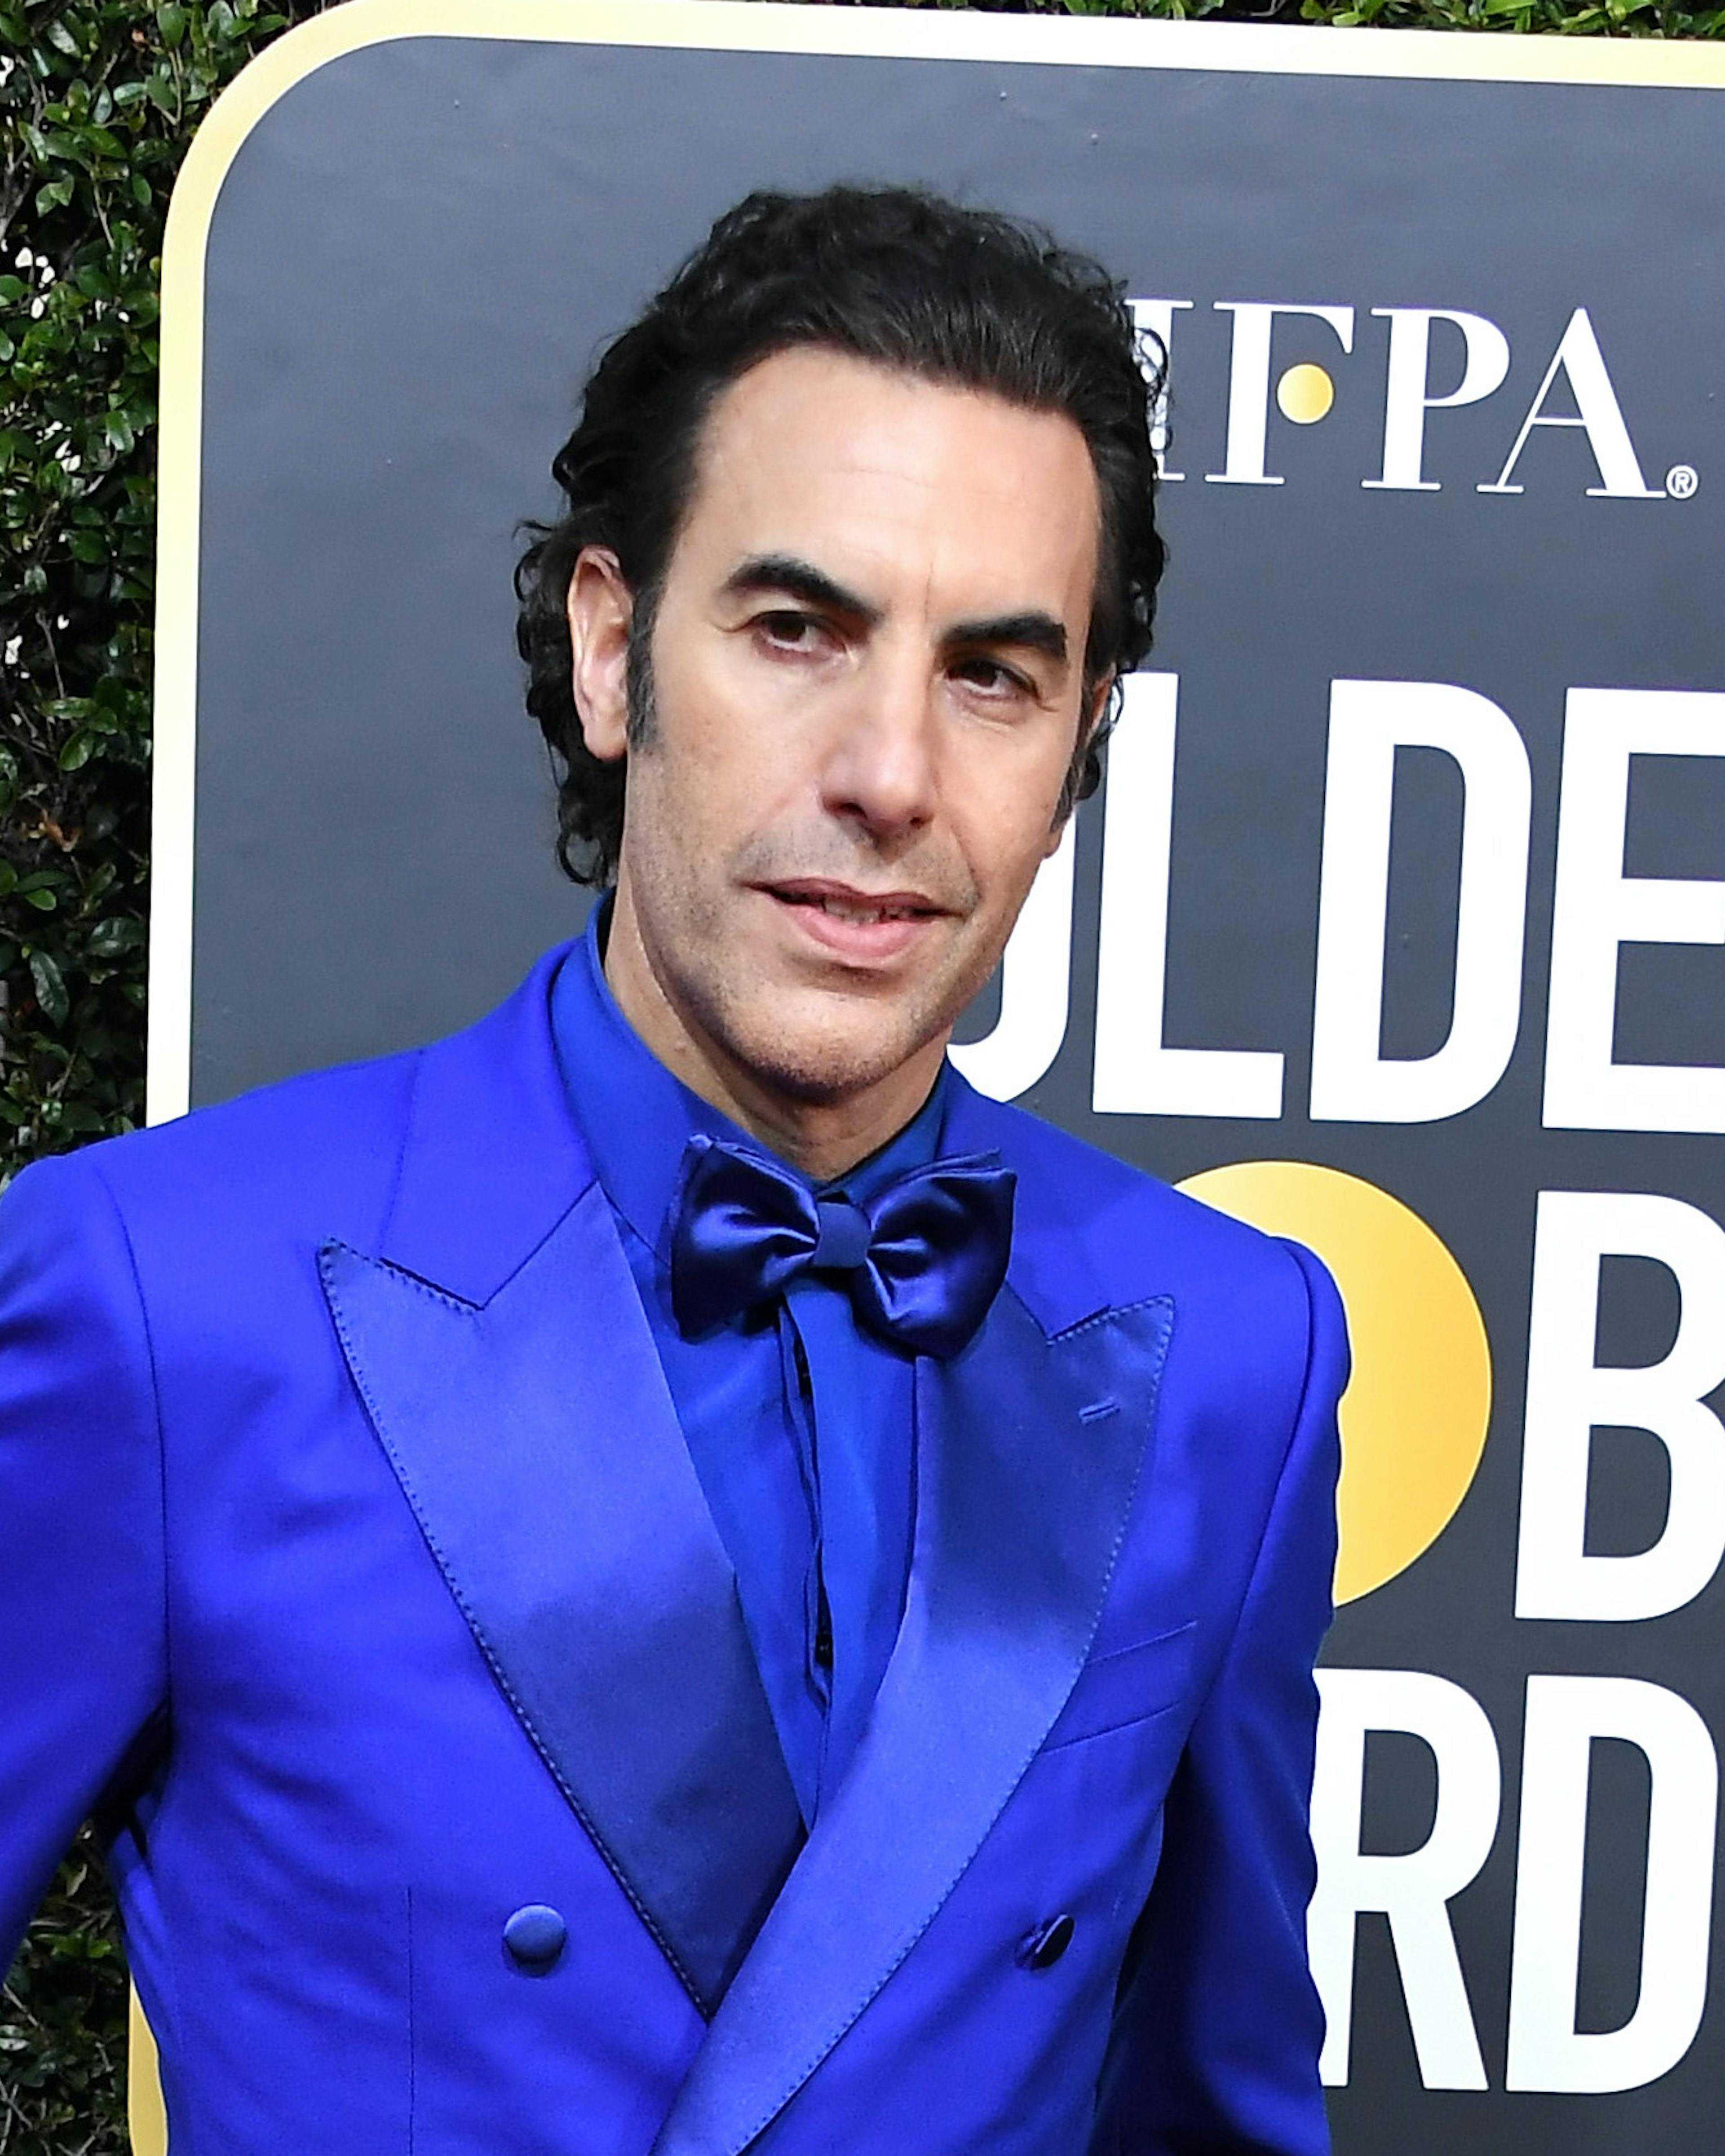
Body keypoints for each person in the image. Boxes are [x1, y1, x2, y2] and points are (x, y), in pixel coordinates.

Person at [0, 186, 1346, 2153]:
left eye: (994, 673)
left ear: (1079, 749)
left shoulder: (1237, 1353)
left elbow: (1216, 2116)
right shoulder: (158, 1294)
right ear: (613, 650)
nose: (891, 772)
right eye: (798, 628)